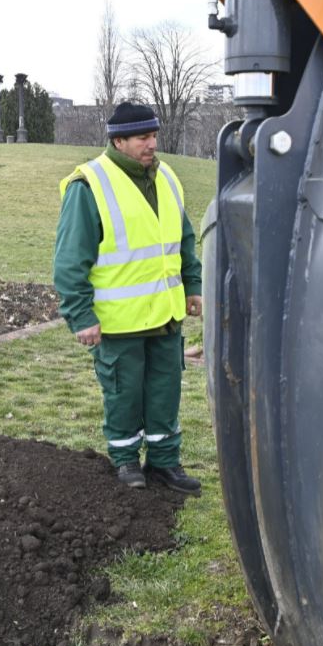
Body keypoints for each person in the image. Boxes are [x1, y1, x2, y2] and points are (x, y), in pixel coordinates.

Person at [53, 102, 204, 495]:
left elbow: (183, 239)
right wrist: (80, 315)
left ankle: (164, 463)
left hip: (166, 317)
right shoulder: (89, 186)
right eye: (143, 137)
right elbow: (70, 260)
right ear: (118, 140)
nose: (152, 143)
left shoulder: (167, 177)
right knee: (124, 395)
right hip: (119, 322)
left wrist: (193, 286)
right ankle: (125, 463)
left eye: (154, 135)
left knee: (164, 393)